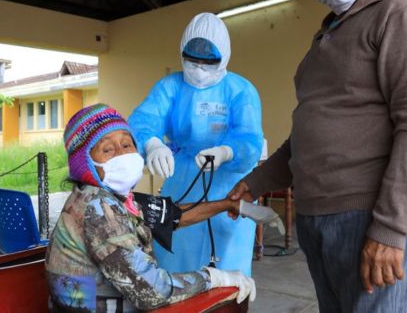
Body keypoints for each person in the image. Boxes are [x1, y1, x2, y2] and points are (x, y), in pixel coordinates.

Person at [228, 0, 407, 312]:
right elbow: (306, 134)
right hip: (315, 216)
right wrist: (255, 181)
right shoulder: (326, 36)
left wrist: (391, 228)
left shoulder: (396, 15)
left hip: (365, 215)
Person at [45, 104, 256, 312]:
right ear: (85, 164)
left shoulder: (113, 199)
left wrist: (229, 205)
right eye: (107, 149)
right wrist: (214, 278)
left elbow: (173, 215)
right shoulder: (98, 211)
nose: (121, 154)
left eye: (127, 145)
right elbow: (153, 291)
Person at [128, 12, 264, 276]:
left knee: (227, 272)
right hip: (182, 182)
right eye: (193, 60)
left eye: (209, 62)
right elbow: (143, 120)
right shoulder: (170, 87)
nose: (200, 68)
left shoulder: (241, 90)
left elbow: (250, 140)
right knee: (176, 261)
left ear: (224, 56)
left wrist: (227, 152)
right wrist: (152, 144)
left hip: (231, 187)